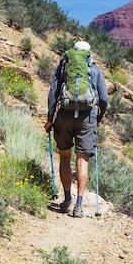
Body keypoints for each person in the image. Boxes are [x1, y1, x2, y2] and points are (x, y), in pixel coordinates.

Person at [44, 40, 108, 218]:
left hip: (64, 116)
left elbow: (53, 93)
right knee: (82, 160)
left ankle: (66, 199)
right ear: (89, 54)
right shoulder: (94, 69)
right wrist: (99, 118)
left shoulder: (63, 67)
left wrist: (50, 119)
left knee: (65, 157)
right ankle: (79, 205)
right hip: (87, 118)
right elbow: (103, 98)